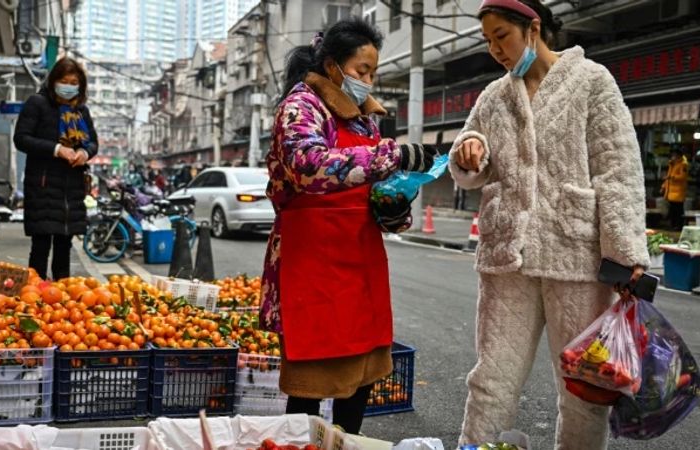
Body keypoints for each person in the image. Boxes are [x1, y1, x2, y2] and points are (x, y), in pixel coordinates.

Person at [449, 1, 650, 448]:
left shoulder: (592, 81)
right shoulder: (494, 96)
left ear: (533, 27)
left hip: (576, 255)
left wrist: (625, 253)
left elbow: (618, 169)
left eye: (501, 35)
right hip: (508, 257)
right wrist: (469, 151)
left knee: (583, 389)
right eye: (488, 40)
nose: (495, 49)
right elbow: (469, 153)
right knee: (491, 378)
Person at [260, 18, 439, 434]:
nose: (368, 81)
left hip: (360, 259)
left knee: (360, 376)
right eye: (362, 71)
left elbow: (374, 185)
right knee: (311, 380)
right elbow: (307, 166)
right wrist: (391, 156)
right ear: (332, 65)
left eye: (373, 73)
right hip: (313, 261)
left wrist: (393, 206)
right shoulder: (300, 105)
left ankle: (348, 443)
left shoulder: (363, 119)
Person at [14, 57, 98, 280]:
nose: (69, 86)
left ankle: (61, 300)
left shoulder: (81, 111)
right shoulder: (37, 103)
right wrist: (56, 149)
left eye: (74, 82)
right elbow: (21, 139)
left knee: (64, 245)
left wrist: (84, 153)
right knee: (41, 245)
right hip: (42, 185)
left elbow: (92, 142)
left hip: (71, 189)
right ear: (53, 81)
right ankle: (35, 296)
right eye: (64, 80)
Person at [661, 148, 688, 231]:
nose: (673, 157)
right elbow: (668, 177)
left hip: (678, 192)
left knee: (678, 211)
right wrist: (663, 186)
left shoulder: (683, 164)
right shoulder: (672, 164)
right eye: (672, 155)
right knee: (672, 210)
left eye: (674, 155)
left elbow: (683, 177)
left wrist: (672, 177)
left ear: (679, 156)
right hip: (671, 192)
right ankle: (673, 225)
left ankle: (678, 226)